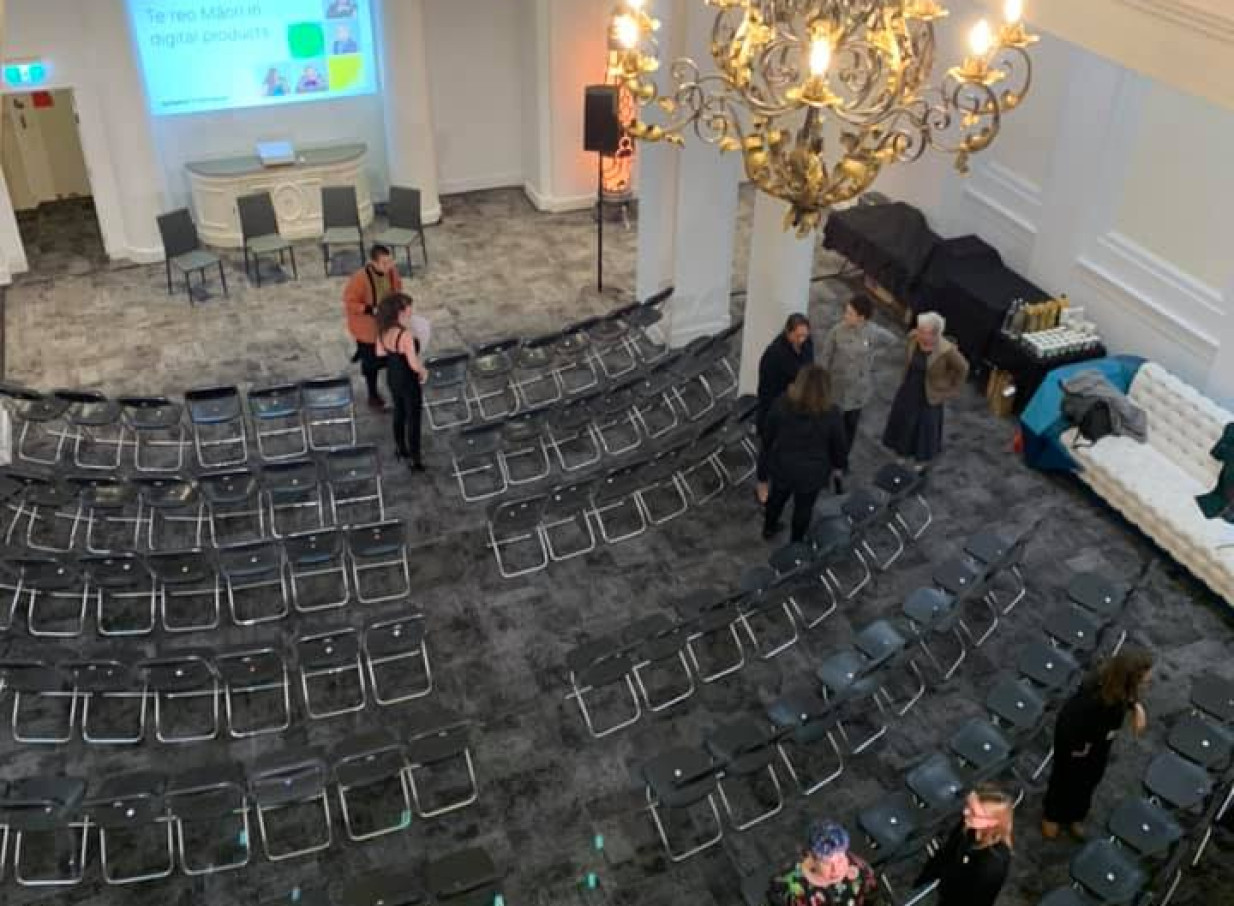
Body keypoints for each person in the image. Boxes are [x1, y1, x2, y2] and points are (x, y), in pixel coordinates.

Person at [1042, 649, 1154, 839]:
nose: (1148, 681)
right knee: (1064, 780)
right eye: (1143, 678)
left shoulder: (1121, 688)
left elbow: (1129, 697)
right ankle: (1052, 815)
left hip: (1099, 745)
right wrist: (1078, 748)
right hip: (1076, 746)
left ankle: (1075, 815)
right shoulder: (1092, 695)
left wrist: (1136, 707)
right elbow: (1067, 722)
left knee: (1089, 781)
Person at [756, 365, 849, 543]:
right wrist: (839, 466)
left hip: (783, 465)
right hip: (813, 472)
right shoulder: (832, 413)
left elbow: (767, 436)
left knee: (776, 499)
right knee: (803, 508)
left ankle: (769, 528)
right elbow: (839, 446)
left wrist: (763, 472)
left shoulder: (782, 403)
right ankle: (796, 543)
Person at [882, 311, 968, 466]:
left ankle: (919, 463)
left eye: (924, 332)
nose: (919, 333)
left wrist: (952, 389)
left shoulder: (946, 350)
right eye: (919, 329)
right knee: (904, 424)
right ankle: (901, 455)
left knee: (923, 430)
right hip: (909, 388)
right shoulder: (913, 337)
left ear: (935, 334)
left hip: (930, 395)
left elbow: (963, 368)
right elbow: (907, 357)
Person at [915, 783, 1014, 906]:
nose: (965, 811)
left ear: (992, 822)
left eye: (973, 812)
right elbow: (949, 850)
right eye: (968, 805)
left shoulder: (993, 864)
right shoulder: (970, 823)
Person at [344, 244, 404, 410]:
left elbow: (397, 287)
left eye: (390, 262)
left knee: (393, 357)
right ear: (374, 263)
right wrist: (371, 309)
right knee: (371, 363)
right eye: (384, 263)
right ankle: (372, 394)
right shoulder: (359, 279)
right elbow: (350, 303)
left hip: (387, 324)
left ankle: (396, 389)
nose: (389, 266)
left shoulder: (392, 272)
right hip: (367, 328)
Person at [767, 819, 879, 906]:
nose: (836, 869)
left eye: (840, 860)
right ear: (812, 858)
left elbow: (872, 899)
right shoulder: (790, 884)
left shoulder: (861, 871)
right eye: (827, 863)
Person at [819, 294, 876, 461]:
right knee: (830, 424)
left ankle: (842, 459)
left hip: (857, 391)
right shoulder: (837, 331)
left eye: (850, 313)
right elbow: (825, 358)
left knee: (850, 427)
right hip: (836, 388)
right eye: (847, 311)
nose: (846, 315)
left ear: (861, 317)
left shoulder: (872, 332)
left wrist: (867, 365)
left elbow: (891, 341)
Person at [375, 293, 428, 470]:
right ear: (401, 312)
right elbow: (413, 364)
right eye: (408, 308)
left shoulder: (383, 329)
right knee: (414, 418)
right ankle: (415, 458)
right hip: (408, 379)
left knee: (399, 412)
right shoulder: (404, 335)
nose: (411, 310)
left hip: (393, 375)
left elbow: (380, 353)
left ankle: (401, 448)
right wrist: (423, 371)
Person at [757, 313, 815, 443]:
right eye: (798, 336)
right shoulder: (775, 353)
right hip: (779, 404)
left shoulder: (807, 343)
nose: (802, 340)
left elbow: (809, 365)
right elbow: (767, 389)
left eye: (805, 335)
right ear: (788, 332)